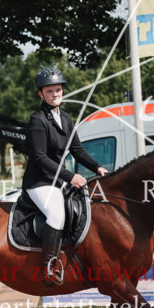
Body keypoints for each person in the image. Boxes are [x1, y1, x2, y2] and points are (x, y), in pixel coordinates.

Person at [22, 66, 109, 288]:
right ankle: (49, 267)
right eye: (49, 91)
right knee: (57, 214)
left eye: (58, 90)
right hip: (40, 182)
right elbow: (40, 157)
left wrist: (98, 168)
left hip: (58, 181)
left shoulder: (66, 118)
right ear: (40, 93)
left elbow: (77, 150)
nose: (55, 95)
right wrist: (70, 176)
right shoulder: (37, 120)